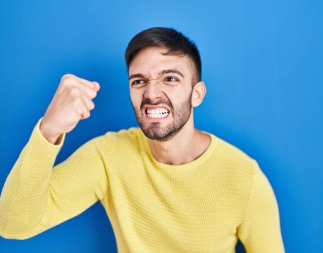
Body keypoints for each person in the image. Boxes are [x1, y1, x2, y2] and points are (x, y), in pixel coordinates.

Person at [0, 27, 285, 253]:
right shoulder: (108, 156)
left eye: (170, 79)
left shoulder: (244, 178)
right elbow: (13, 224)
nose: (151, 94)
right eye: (139, 81)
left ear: (196, 94)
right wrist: (48, 130)